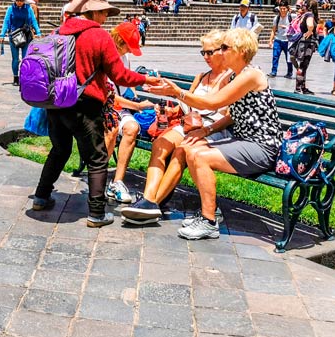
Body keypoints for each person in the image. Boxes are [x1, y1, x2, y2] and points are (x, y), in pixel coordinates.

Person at [125, 29, 281, 240]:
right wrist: (205, 130)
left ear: (241, 51)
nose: (220, 52)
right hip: (242, 140)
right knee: (189, 148)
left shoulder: (251, 75)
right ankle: (205, 210)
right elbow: (233, 114)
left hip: (261, 146)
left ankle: (208, 221)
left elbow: (213, 103)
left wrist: (176, 92)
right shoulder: (238, 75)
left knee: (198, 156)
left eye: (225, 48)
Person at [32, 0, 160, 227]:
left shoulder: (60, 31)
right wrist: (146, 79)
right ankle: (97, 213)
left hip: (56, 103)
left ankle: (41, 196)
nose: (106, 17)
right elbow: (119, 75)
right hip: (84, 105)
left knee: (59, 150)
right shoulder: (99, 36)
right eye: (103, 11)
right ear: (91, 11)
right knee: (98, 157)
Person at [122, 31, 232, 223]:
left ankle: (152, 203)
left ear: (222, 51)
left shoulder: (230, 79)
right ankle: (149, 198)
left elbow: (228, 115)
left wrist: (205, 128)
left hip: (214, 128)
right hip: (192, 124)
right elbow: (188, 105)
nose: (205, 57)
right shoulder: (201, 76)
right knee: (160, 144)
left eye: (209, 52)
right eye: (203, 53)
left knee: (182, 150)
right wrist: (171, 102)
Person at [103, 22, 155, 204]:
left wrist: (136, 94)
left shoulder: (125, 59)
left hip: (121, 109)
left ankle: (117, 181)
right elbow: (109, 97)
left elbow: (126, 85)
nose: (130, 51)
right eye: (128, 46)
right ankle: (99, 178)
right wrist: (139, 107)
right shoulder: (104, 58)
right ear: (118, 41)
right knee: (110, 130)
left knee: (132, 128)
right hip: (104, 108)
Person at [0, 0, 41, 85]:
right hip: (14, 36)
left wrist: (38, 32)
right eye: (17, 0)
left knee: (25, 58)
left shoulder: (28, 9)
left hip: (26, 36)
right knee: (15, 59)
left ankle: (24, 76)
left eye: (21, 0)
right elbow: (6, 22)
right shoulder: (10, 9)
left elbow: (33, 21)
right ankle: (15, 77)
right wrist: (2, 34)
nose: (19, 2)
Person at [290, 0, 319, 94]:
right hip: (307, 43)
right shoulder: (310, 15)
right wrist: (310, 31)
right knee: (303, 66)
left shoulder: (303, 15)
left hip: (302, 42)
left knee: (303, 65)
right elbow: (310, 25)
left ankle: (302, 87)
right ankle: (298, 88)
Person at [267, 0, 295, 78]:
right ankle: (273, 71)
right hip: (278, 39)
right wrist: (270, 40)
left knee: (288, 58)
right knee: (275, 56)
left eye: (284, 9)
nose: (282, 11)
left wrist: (287, 27)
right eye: (281, 8)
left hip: (288, 40)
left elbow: (296, 27)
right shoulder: (276, 18)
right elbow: (273, 30)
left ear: (287, 8)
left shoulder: (291, 17)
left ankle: (289, 72)